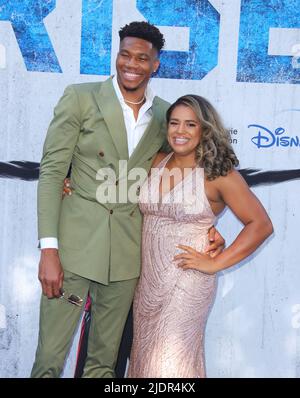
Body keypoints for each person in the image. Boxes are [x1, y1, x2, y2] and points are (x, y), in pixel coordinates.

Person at [31, 21, 224, 378]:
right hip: (73, 249)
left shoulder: (168, 116)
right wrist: (48, 249)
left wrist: (210, 224)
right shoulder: (80, 98)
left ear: (155, 64)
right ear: (116, 56)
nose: (130, 64)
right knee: (48, 360)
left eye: (141, 58)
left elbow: (194, 169)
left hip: (127, 256)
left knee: (104, 365)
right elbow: (53, 173)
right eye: (124, 54)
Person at [126, 95, 273, 378]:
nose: (180, 131)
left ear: (204, 129)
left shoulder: (217, 174)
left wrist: (216, 263)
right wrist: (70, 183)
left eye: (190, 124)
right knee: (144, 358)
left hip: (188, 281)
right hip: (147, 281)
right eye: (174, 123)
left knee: (171, 365)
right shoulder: (156, 161)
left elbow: (261, 224)